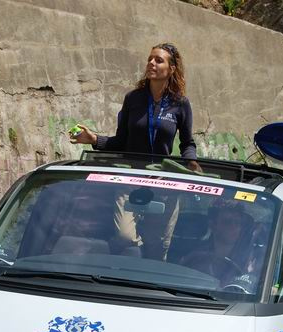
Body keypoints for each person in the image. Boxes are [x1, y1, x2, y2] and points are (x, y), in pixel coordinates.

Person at [70, 43, 197, 260]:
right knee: (125, 236)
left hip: (164, 184)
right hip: (131, 180)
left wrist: (191, 163)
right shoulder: (133, 99)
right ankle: (117, 259)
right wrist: (94, 139)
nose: (151, 63)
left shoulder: (180, 104)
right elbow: (121, 141)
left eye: (158, 60)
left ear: (172, 68)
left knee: (157, 247)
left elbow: (187, 143)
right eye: (149, 59)